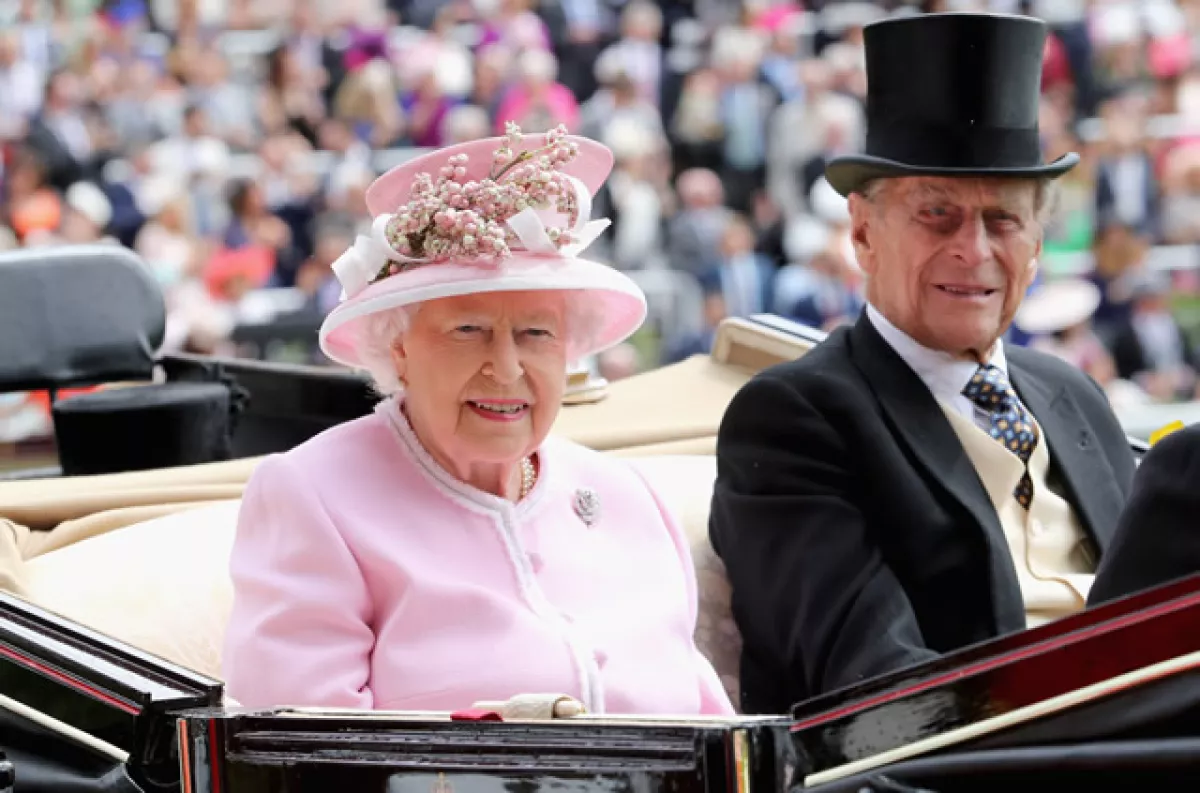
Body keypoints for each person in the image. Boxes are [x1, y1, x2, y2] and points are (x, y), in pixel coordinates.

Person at [709, 13, 1157, 715]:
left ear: (1036, 244)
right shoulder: (795, 419)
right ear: (862, 231)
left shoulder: (1073, 395)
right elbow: (879, 691)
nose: (974, 250)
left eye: (1003, 220)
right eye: (937, 215)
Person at [222, 124, 734, 716]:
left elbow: (713, 734)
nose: (508, 368)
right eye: (469, 330)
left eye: (536, 332)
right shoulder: (314, 496)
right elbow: (296, 763)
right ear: (399, 348)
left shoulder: (629, 497)